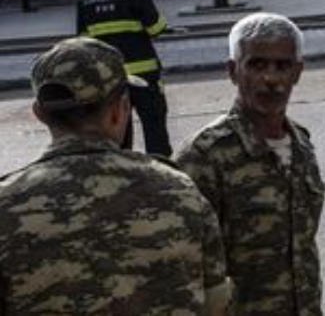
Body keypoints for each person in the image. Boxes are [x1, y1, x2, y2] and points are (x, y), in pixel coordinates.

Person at [0, 37, 232, 316]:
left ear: (39, 114)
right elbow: (217, 304)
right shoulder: (181, 193)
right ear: (119, 110)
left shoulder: (6, 204)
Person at [175, 13, 325, 316]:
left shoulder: (301, 143)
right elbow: (186, 267)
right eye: (256, 64)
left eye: (282, 66)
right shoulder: (204, 155)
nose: (270, 78)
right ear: (233, 71)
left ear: (297, 72)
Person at [76, 0, 173, 156]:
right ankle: (162, 169)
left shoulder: (85, 1)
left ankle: (122, 171)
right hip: (145, 76)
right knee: (154, 125)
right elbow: (156, 28)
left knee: (117, 130)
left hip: (110, 80)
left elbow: (83, 43)